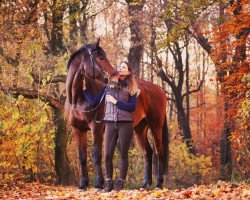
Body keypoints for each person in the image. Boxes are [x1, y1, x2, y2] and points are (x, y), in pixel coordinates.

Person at [82, 61, 139, 192]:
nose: (120, 68)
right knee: (107, 154)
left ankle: (120, 182)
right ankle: (108, 183)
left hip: (126, 123)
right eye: (119, 66)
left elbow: (132, 107)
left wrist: (116, 102)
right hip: (109, 123)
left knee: (123, 155)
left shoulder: (132, 88)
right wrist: (85, 90)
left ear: (128, 72)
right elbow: (94, 101)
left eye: (123, 67)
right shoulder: (108, 86)